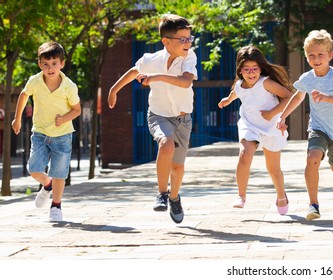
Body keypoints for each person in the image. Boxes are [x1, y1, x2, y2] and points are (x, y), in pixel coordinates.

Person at [107, 14, 198, 224]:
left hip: (183, 119)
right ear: (166, 41)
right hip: (158, 115)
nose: (187, 43)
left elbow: (185, 82)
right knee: (165, 145)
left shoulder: (189, 57)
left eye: (189, 38)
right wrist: (114, 89)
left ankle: (175, 197)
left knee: (177, 167)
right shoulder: (151, 59)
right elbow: (133, 71)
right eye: (182, 39)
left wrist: (155, 77)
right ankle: (162, 193)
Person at [276, 29, 333, 222]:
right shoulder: (307, 78)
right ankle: (313, 204)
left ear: (330, 55)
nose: (316, 59)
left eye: (320, 54)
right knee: (312, 159)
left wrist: (327, 97)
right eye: (311, 55)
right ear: (306, 56)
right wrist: (283, 116)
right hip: (318, 128)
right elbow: (297, 97)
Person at [218, 45, 294, 215]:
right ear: (240, 70)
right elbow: (235, 93)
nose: (251, 73)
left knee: (273, 168)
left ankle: (281, 194)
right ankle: (241, 195)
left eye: (254, 69)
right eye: (247, 69)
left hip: (271, 126)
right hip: (249, 124)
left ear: (261, 68)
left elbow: (289, 96)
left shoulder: (265, 82)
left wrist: (272, 113)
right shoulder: (239, 85)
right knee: (245, 155)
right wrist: (227, 100)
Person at [12, 42, 81, 222]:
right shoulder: (35, 81)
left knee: (59, 173)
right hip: (40, 134)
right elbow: (24, 95)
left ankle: (56, 205)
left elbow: (77, 110)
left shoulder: (69, 86)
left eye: (54, 63)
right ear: (39, 64)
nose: (50, 68)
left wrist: (64, 119)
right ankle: (46, 184)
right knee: (34, 169)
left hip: (62, 136)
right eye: (46, 64)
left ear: (62, 64)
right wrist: (17, 118)